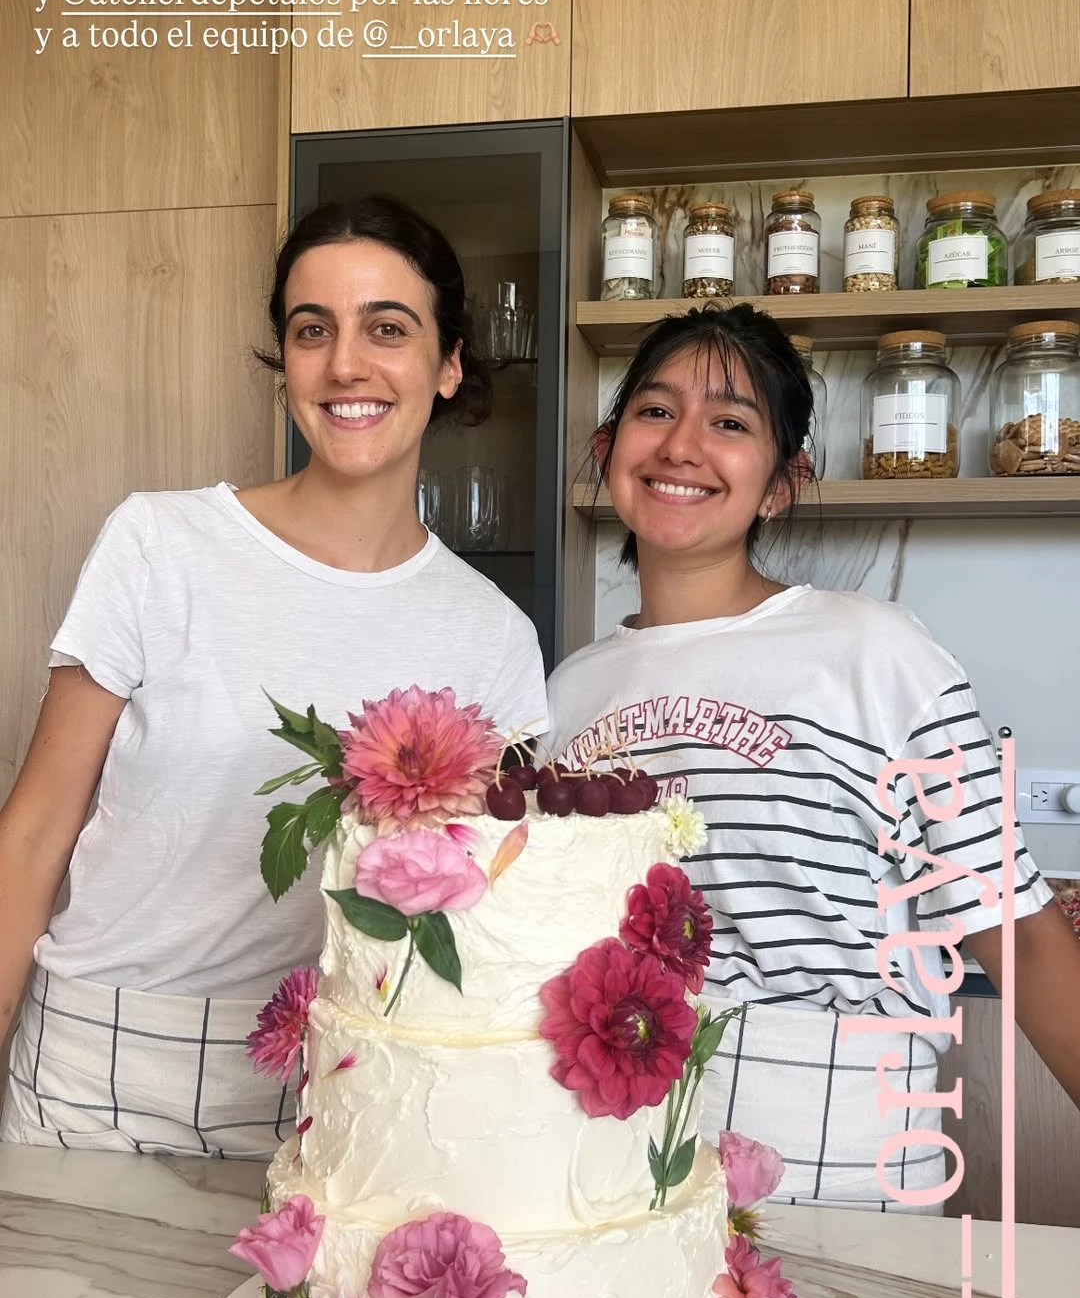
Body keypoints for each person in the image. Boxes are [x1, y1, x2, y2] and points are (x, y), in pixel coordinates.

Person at [0, 197, 547, 1154]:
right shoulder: (158, 544)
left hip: (332, 1090)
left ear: (449, 363)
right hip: (92, 1071)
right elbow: (35, 833)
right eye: (312, 331)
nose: (346, 364)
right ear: (286, 362)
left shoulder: (492, 635)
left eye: (388, 328)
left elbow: (488, 910)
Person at [546, 303, 1080, 1209]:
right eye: (654, 410)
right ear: (607, 449)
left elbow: (1016, 928)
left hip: (839, 1146)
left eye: (729, 423)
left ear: (781, 484)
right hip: (616, 1152)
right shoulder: (566, 693)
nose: (681, 446)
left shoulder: (878, 652)